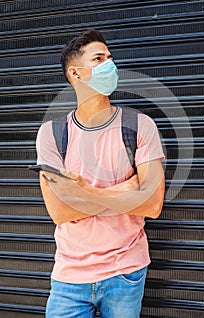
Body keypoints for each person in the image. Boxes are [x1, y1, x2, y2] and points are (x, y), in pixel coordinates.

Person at [36, 29, 165, 318]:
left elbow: (153, 205)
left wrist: (84, 192)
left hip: (125, 272)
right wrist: (127, 189)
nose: (110, 64)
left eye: (110, 57)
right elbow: (59, 212)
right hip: (70, 276)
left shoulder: (139, 126)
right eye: (98, 58)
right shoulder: (52, 134)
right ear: (75, 73)